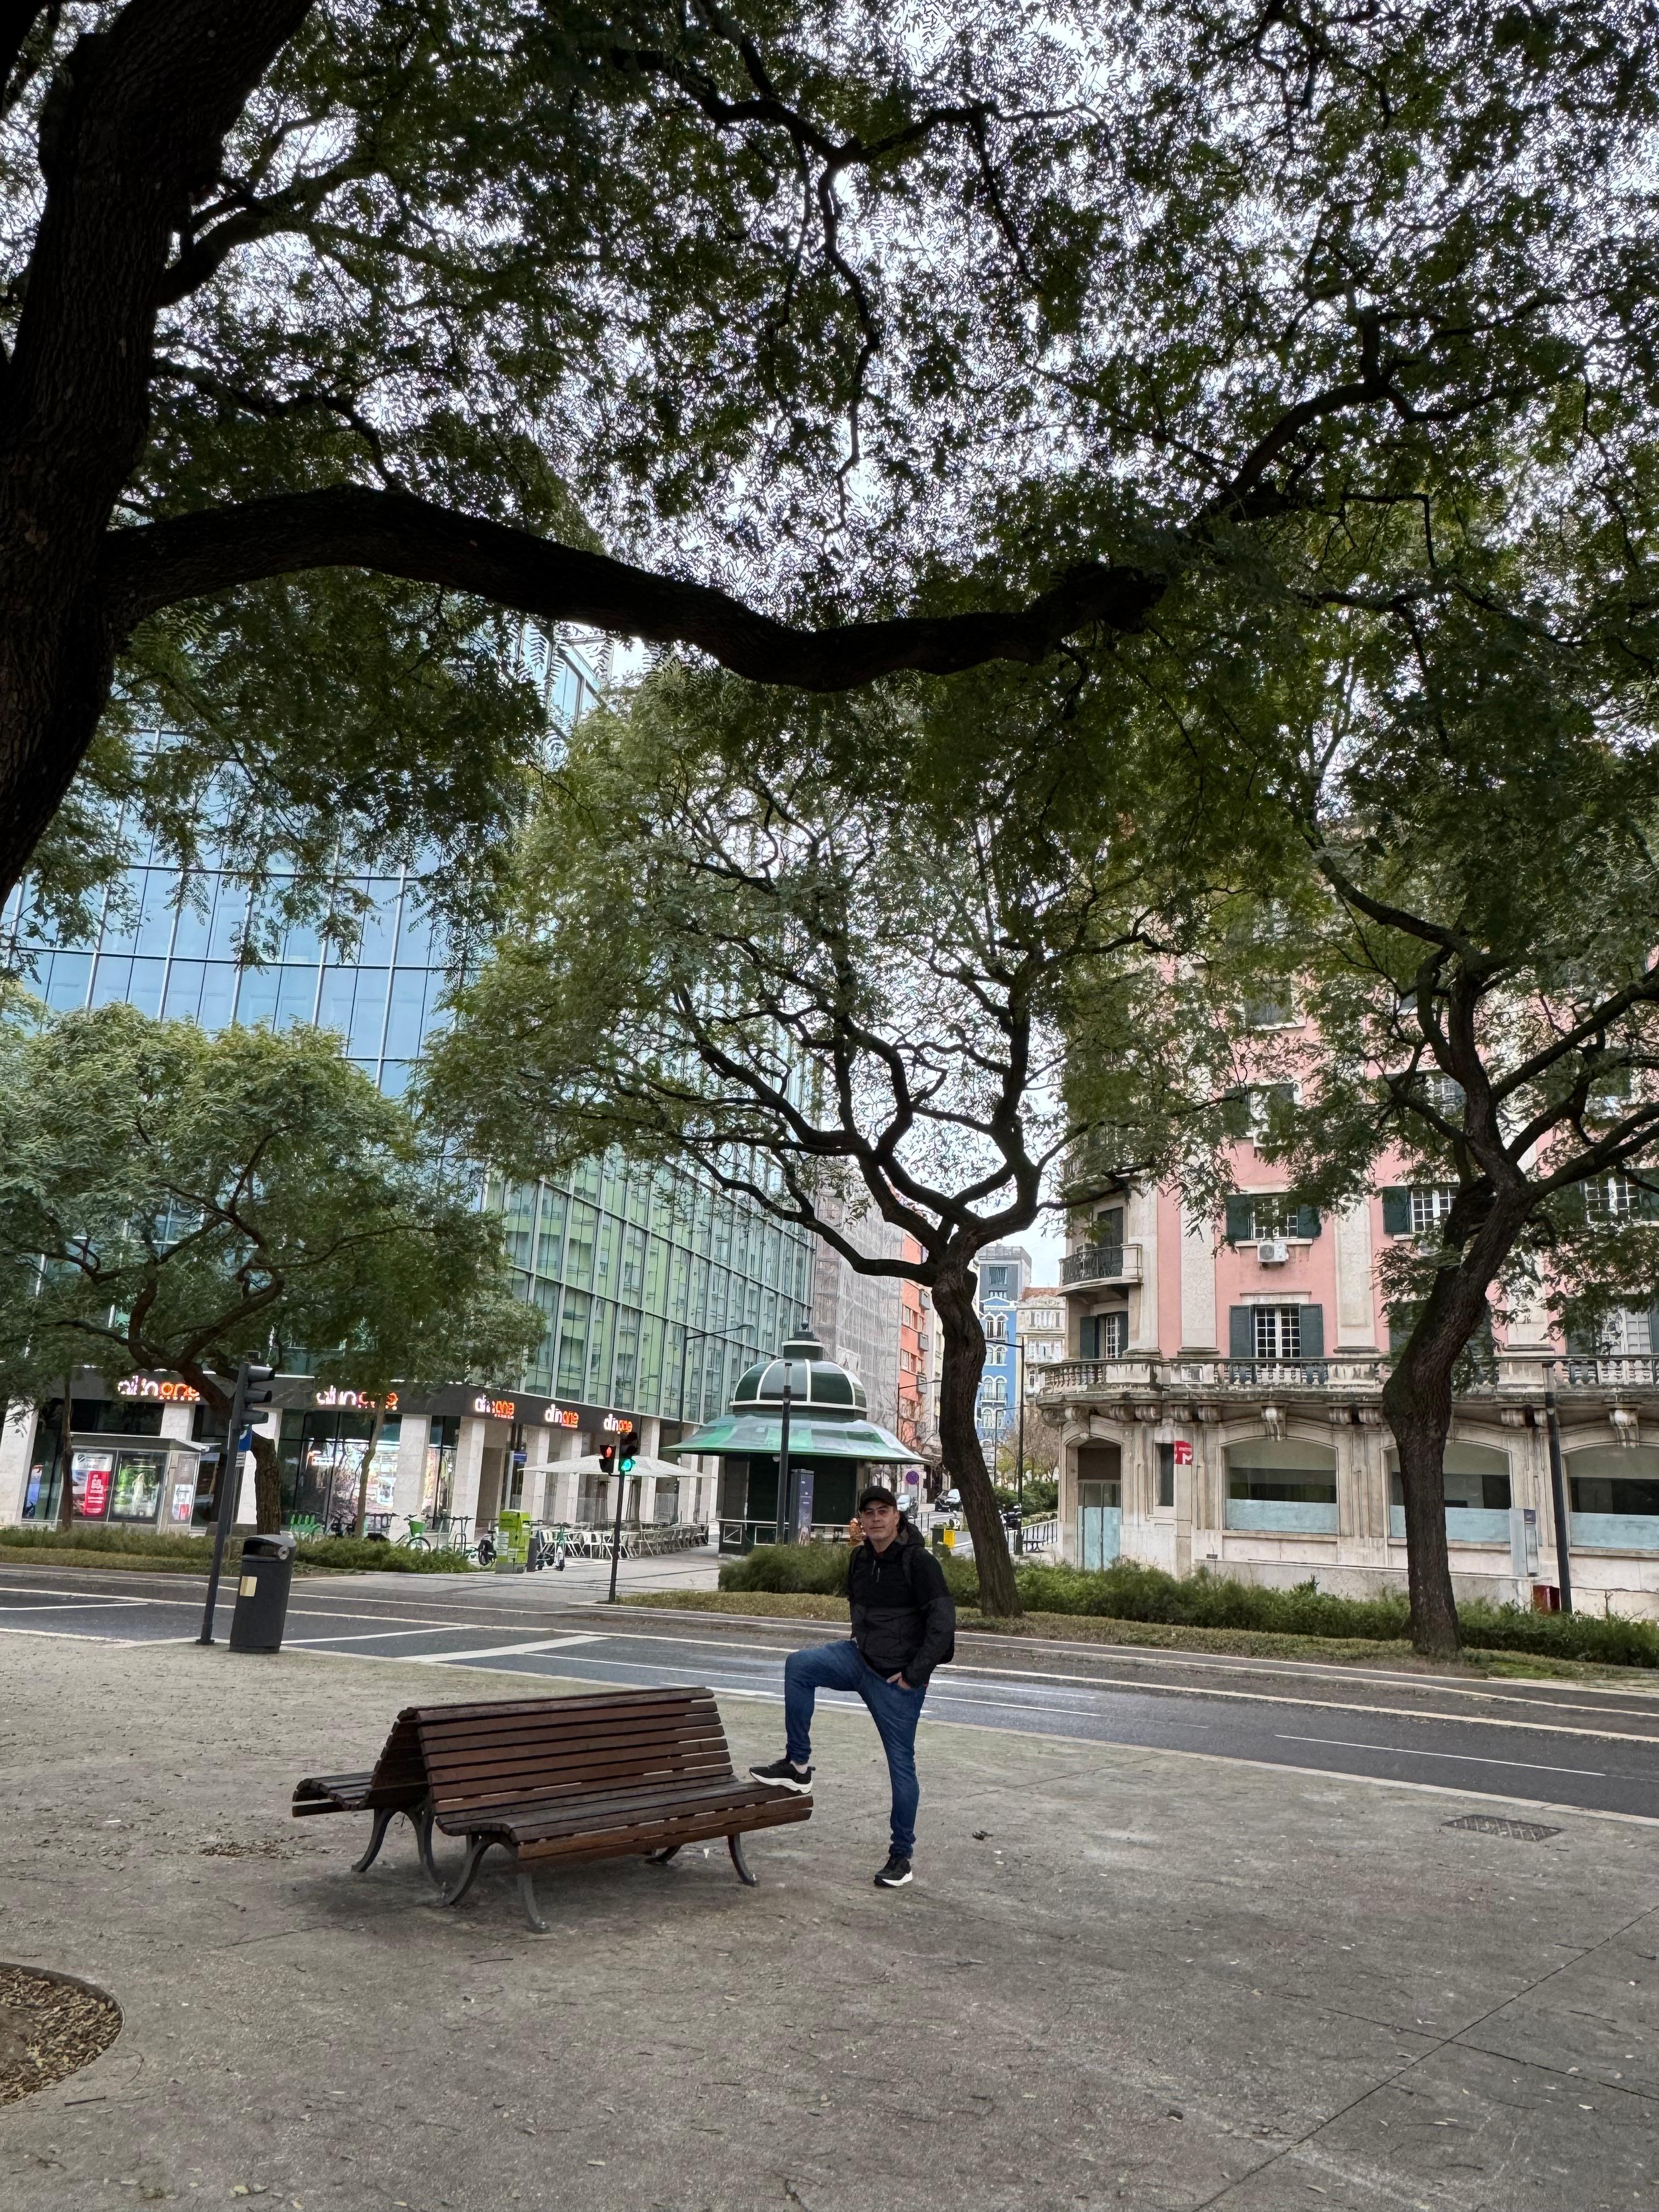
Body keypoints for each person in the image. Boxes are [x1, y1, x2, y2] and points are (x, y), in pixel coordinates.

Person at [749, 1483, 955, 1888]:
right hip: (858, 1659)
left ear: (897, 1517)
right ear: (860, 1521)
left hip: (898, 1682)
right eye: (869, 1513)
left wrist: (915, 1674)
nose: (876, 1518)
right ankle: (798, 1765)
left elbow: (943, 1626)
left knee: (901, 1767)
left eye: (884, 1511)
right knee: (800, 1666)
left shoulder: (920, 1563)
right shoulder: (860, 1560)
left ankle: (901, 1856)